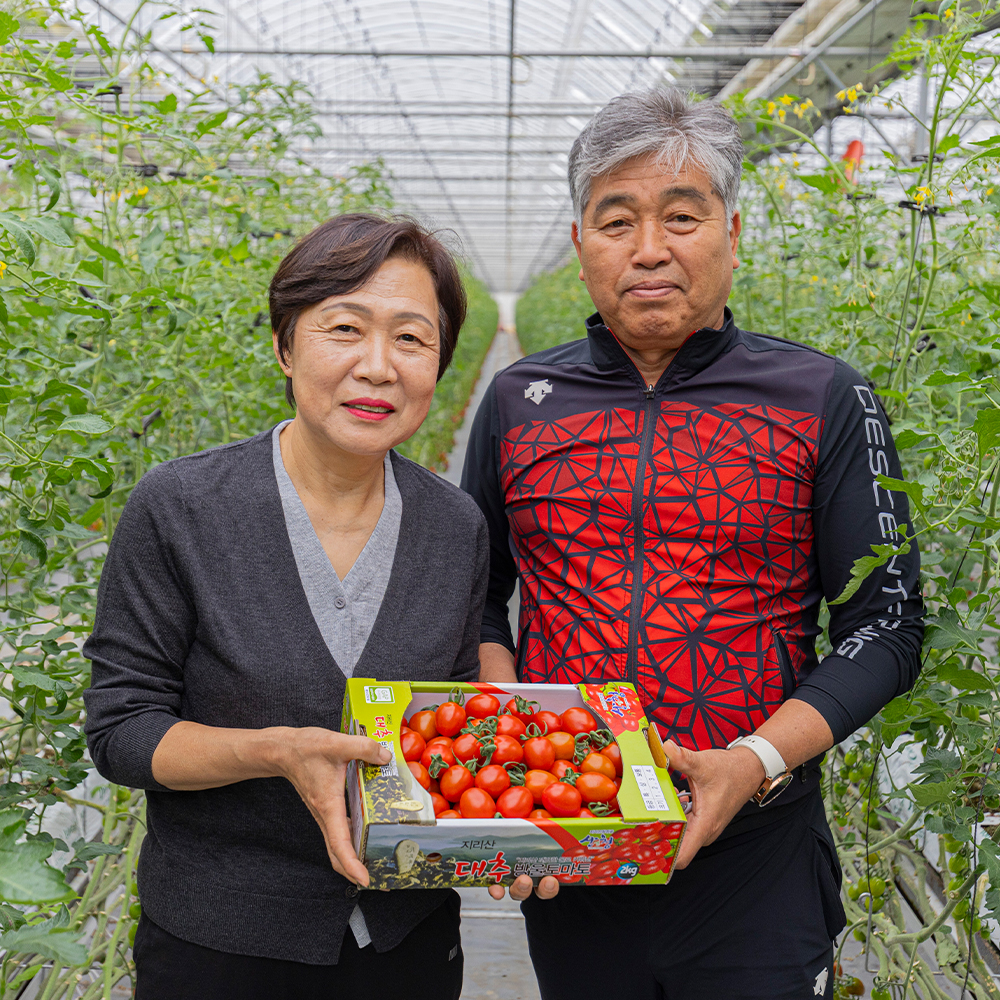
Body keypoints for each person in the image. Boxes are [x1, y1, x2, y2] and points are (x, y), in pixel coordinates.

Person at [461, 88, 923, 1000]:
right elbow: (479, 593)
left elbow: (888, 625)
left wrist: (751, 763)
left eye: (681, 215)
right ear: (581, 241)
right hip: (573, 838)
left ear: (733, 231)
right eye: (616, 219)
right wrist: (506, 719)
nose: (649, 250)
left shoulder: (822, 398)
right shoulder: (518, 401)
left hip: (757, 850)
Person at [84, 214, 488, 1000]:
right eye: (345, 328)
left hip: (407, 935)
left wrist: (508, 836)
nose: (378, 367)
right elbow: (122, 730)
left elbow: (453, 711)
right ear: (284, 345)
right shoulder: (183, 506)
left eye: (412, 339)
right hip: (220, 943)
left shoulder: (453, 525)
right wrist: (272, 751)